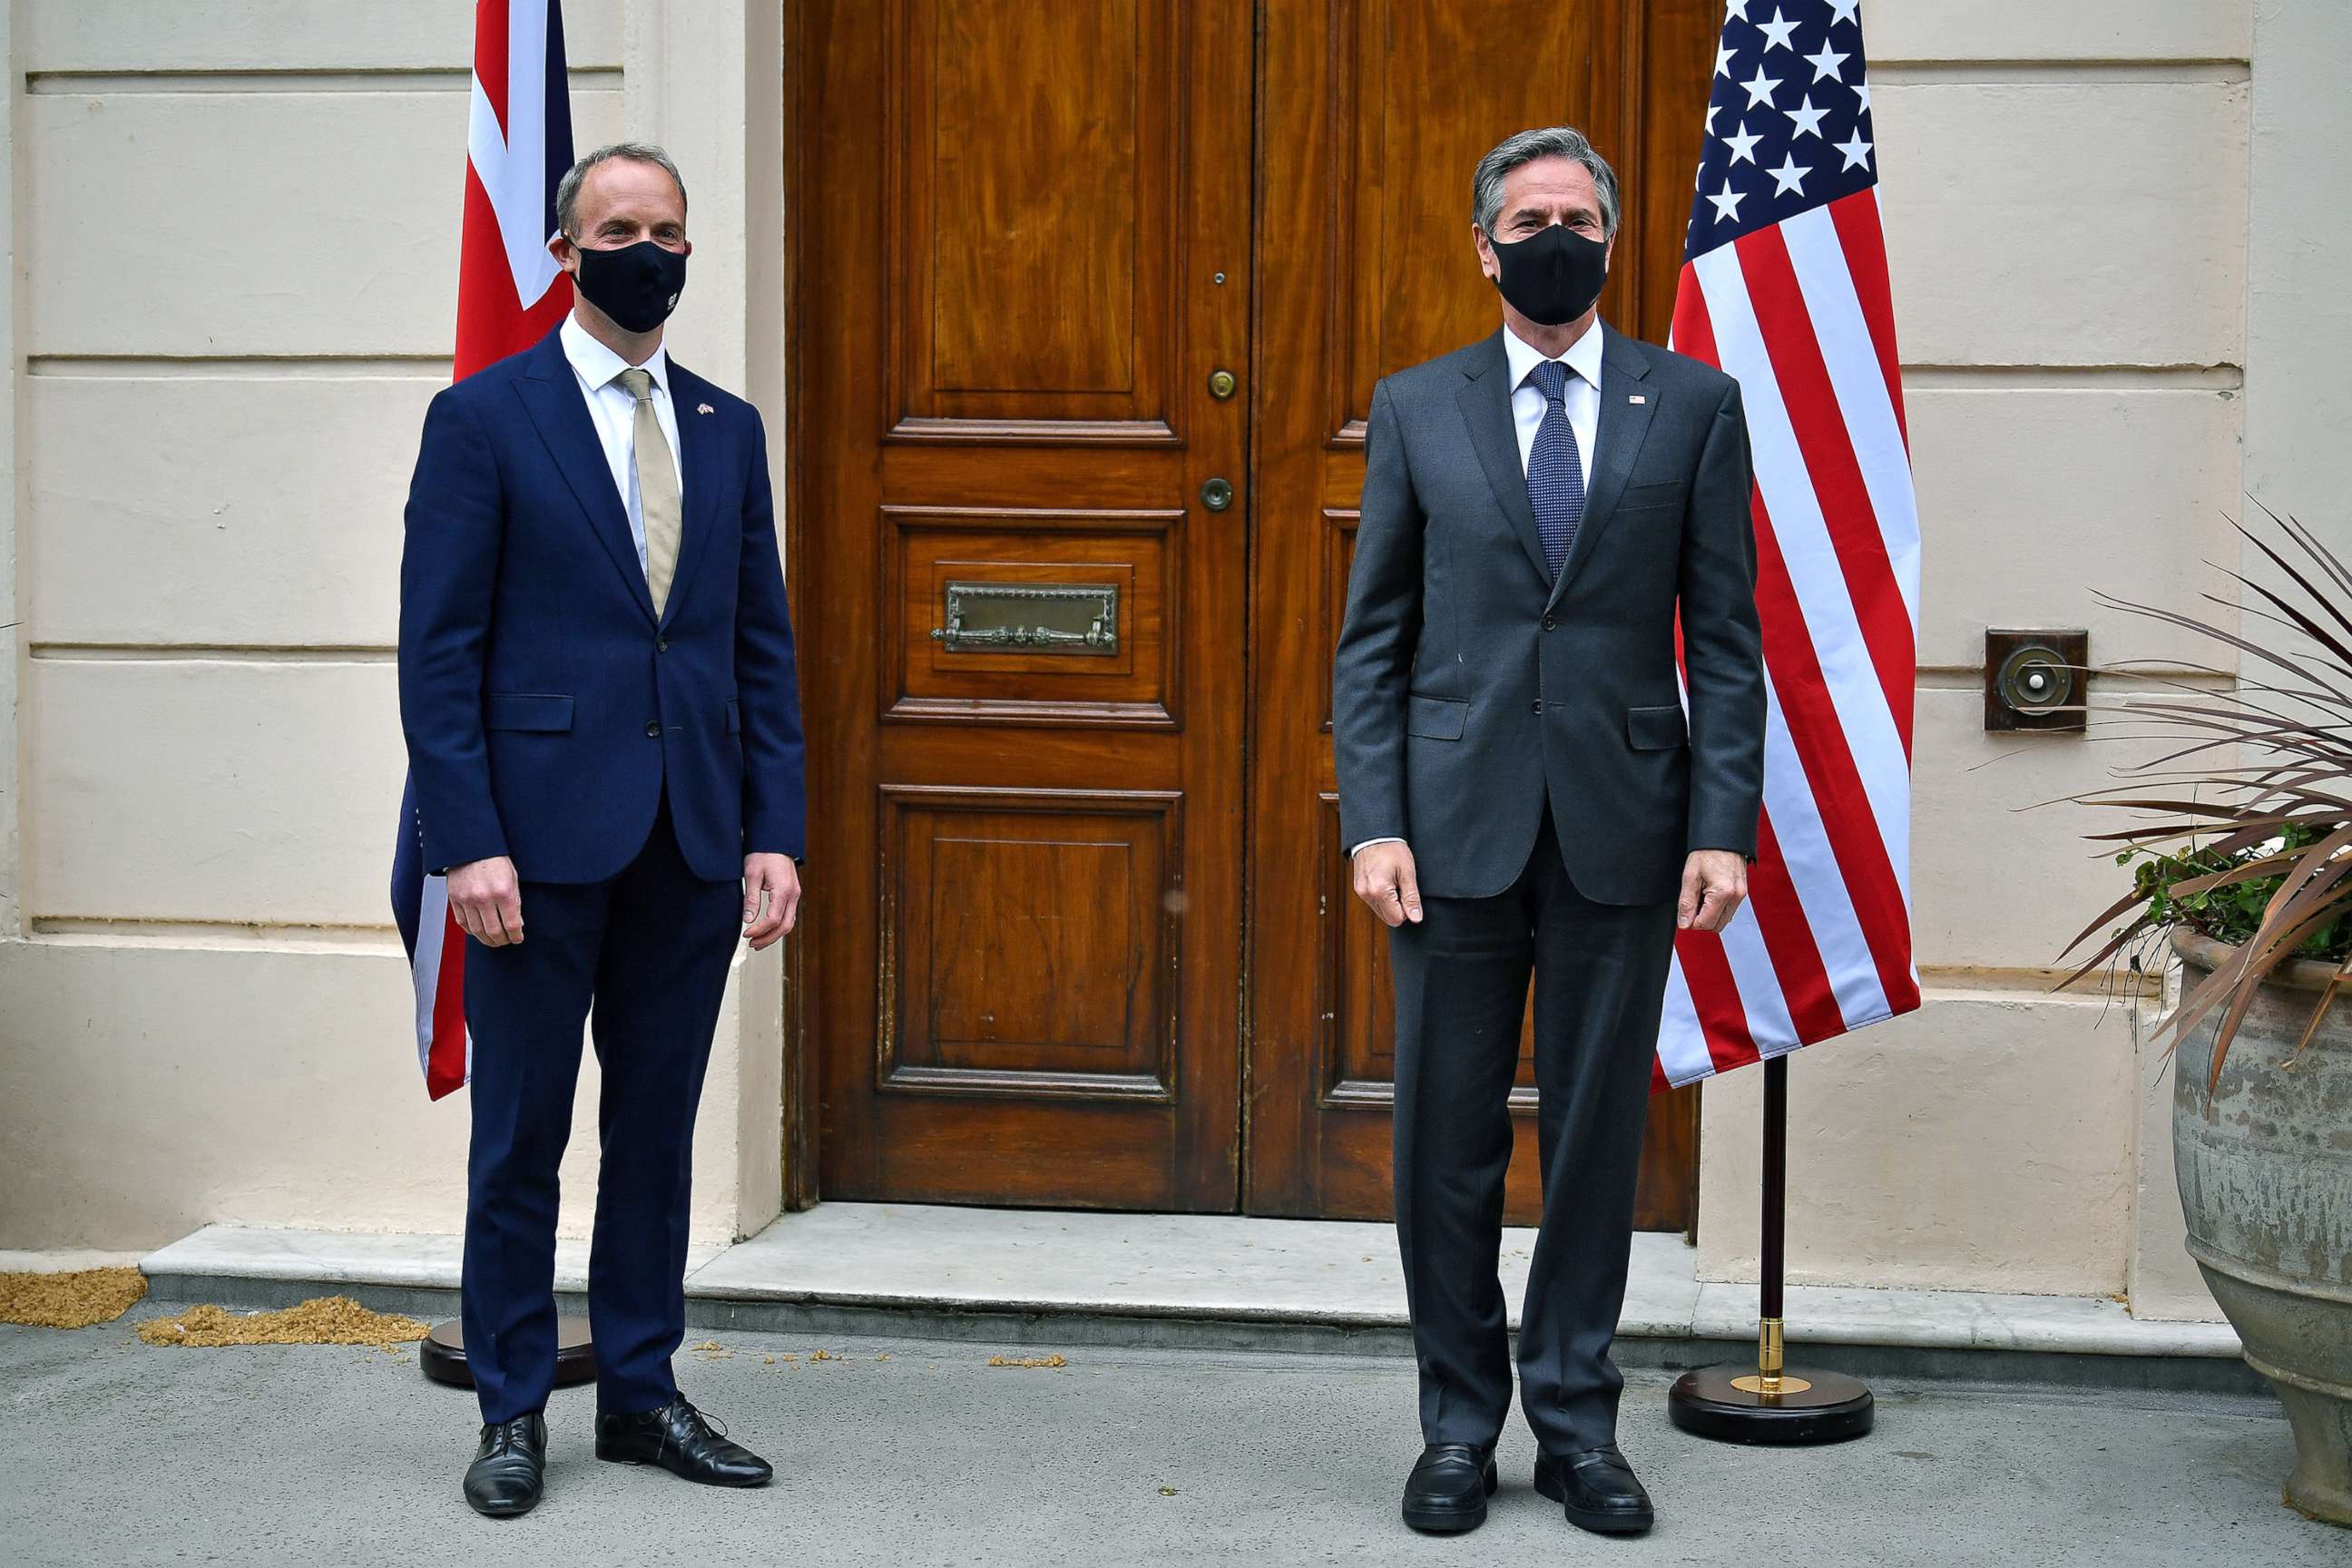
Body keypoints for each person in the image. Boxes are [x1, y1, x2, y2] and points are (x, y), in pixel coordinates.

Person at [1332, 124, 1764, 1538]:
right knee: (1443, 1147)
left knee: (1591, 1143)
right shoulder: (1416, 407)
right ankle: (1458, 1427)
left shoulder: (1691, 406)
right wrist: (1373, 821)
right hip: (1449, 835)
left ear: (1612, 238)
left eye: (1578, 215)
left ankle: (1577, 1424)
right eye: (1529, 217)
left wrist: (1723, 827)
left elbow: (1728, 639)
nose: (1554, 235)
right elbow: (1374, 641)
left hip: (1625, 826)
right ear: (1484, 245)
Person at [398, 141, 806, 1519]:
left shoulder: (725, 427)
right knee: (521, 1135)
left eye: (670, 230)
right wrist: (467, 842)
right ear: (567, 252)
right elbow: (438, 651)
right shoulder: (484, 419)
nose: (650, 250)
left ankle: (640, 1391)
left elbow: (760, 648)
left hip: (690, 841)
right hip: (532, 847)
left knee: (654, 1133)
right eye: (620, 227)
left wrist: (774, 831)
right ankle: (514, 1404)